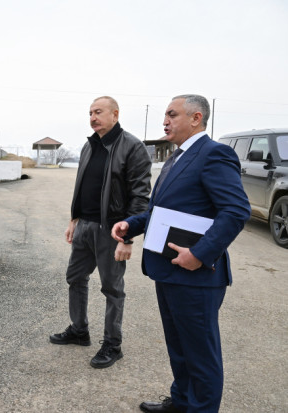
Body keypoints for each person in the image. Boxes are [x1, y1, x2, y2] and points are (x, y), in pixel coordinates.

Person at [111, 95, 250, 412]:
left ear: (196, 118)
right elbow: (159, 211)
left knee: (201, 356)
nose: (165, 121)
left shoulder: (214, 154)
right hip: (169, 271)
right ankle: (181, 401)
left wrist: (199, 253)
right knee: (179, 348)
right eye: (165, 115)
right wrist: (131, 225)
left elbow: (235, 210)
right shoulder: (176, 157)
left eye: (172, 115)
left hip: (196, 276)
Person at [49, 96, 152, 368]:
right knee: (75, 277)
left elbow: (140, 196)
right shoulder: (89, 145)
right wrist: (74, 219)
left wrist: (128, 237)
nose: (93, 117)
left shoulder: (133, 147)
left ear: (115, 115)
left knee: (112, 288)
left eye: (98, 112)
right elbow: (82, 186)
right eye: (90, 113)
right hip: (84, 226)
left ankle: (112, 344)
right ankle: (79, 330)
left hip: (113, 230)